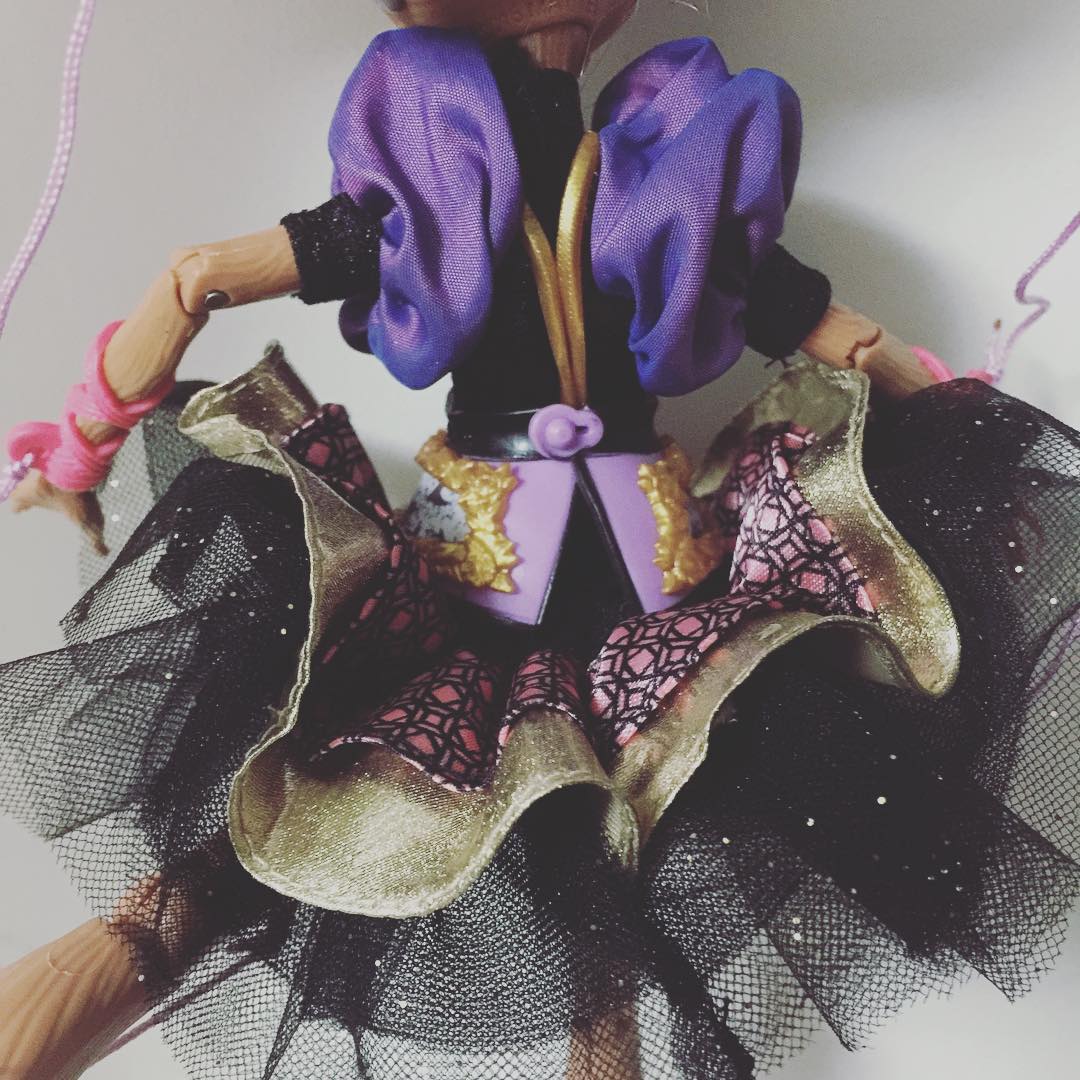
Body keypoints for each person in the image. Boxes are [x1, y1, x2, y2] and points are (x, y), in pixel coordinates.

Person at [1, 3, 1077, 1078]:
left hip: (653, 588)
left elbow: (195, 277)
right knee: (327, 802)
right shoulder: (441, 195)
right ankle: (100, 975)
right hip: (475, 572)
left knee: (618, 855)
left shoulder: (668, 184)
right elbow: (198, 276)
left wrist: (83, 445)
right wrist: (80, 443)